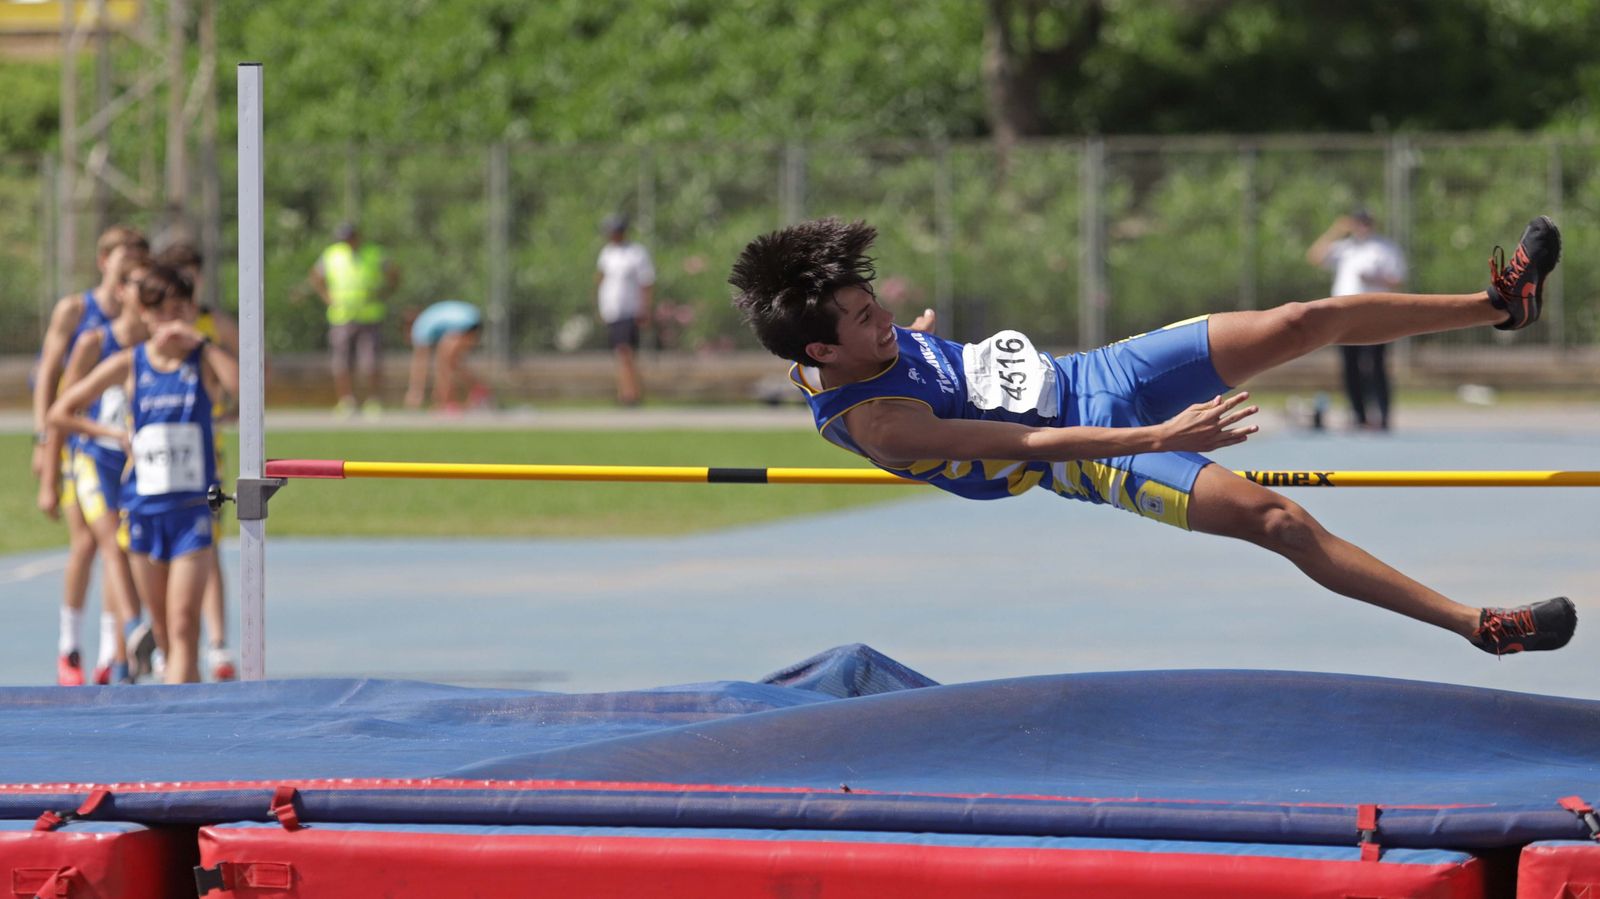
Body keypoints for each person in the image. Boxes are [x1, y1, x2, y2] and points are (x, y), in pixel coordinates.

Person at [728, 216, 1574, 657]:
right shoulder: (882, 425)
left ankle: (1501, 306)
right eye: (862, 321)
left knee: (1298, 318)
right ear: (819, 351)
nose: (880, 322)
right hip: (1086, 447)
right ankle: (1479, 625)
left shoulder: (841, 340)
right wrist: (1163, 434)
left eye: (877, 308)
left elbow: (907, 352)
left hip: (1097, 368)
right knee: (1276, 520)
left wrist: (908, 335)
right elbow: (1027, 449)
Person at [48, 263, 240, 684]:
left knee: (186, 624)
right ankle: (174, 716)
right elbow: (60, 411)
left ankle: (188, 717)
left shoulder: (202, 360)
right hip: (143, 513)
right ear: (147, 314)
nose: (173, 320)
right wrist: (113, 432)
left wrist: (204, 343)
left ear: (191, 312)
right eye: (164, 311)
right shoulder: (130, 364)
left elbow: (246, 393)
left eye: (181, 310)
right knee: (166, 637)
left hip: (191, 511)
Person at [33, 224, 150, 685]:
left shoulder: (145, 324)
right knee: (88, 543)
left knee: (114, 545)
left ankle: (110, 651)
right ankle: (72, 646)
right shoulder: (78, 313)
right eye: (124, 261)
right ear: (107, 263)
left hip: (118, 449)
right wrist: (45, 443)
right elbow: (50, 378)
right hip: (78, 443)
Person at [156, 242, 239, 681]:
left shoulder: (212, 326)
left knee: (205, 543)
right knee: (154, 551)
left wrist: (230, 405)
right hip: (153, 459)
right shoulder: (149, 335)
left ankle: (218, 641)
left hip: (202, 450)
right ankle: (159, 641)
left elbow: (247, 374)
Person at [1306, 210, 1407, 431]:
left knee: (1375, 365)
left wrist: (1374, 278)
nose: (1362, 228)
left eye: (1365, 223)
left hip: (1374, 312)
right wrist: (1335, 231)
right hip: (1343, 314)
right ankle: (1358, 415)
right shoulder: (1345, 248)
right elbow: (1314, 256)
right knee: (1349, 366)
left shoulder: (1384, 248)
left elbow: (1397, 279)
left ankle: (1383, 416)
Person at [309, 222, 398, 419]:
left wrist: (384, 293)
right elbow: (315, 277)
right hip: (342, 316)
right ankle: (347, 401)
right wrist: (327, 298)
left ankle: (374, 400)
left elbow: (394, 274)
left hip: (370, 314)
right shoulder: (332, 254)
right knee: (341, 362)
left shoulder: (374, 253)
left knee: (371, 361)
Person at [594, 214, 654, 406]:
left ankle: (629, 394)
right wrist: (599, 304)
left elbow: (646, 282)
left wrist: (644, 308)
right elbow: (601, 278)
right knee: (622, 354)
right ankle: (629, 391)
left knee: (625, 353)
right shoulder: (607, 253)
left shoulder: (636, 253)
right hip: (612, 310)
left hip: (630, 309)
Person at [404, 300, 490, 414]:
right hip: (473, 320)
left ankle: (446, 403)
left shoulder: (419, 328)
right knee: (452, 363)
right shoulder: (427, 318)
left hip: (464, 324)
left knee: (443, 364)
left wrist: (415, 392)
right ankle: (479, 389)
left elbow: (420, 363)